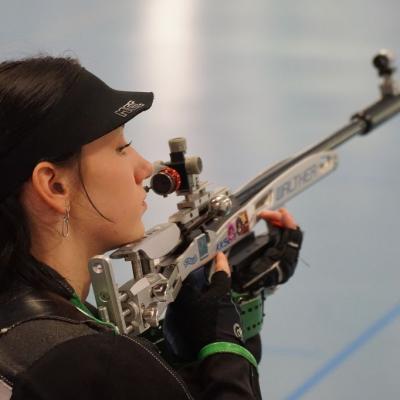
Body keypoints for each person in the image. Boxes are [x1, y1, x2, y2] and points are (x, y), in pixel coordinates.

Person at [0, 56, 303, 400]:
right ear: (54, 186)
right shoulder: (97, 363)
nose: (144, 167)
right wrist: (227, 345)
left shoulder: (33, 334)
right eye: (121, 148)